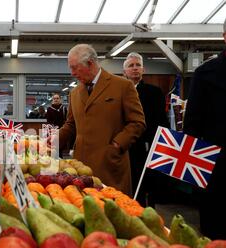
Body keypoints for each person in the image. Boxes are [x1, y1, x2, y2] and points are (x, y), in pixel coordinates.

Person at [58, 44, 146, 195]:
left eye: (74, 68)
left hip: (110, 166)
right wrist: (50, 141)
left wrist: (117, 145)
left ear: (90, 64)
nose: (72, 73)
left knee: (114, 210)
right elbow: (71, 125)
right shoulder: (75, 93)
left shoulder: (122, 86)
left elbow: (137, 122)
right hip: (81, 168)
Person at [183, 19, 226, 240]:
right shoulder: (205, 73)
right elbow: (191, 123)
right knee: (215, 233)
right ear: (224, 36)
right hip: (215, 165)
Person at [123, 52, 169, 207]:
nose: (135, 68)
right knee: (132, 184)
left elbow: (161, 120)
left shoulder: (154, 92)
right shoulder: (119, 92)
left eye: (138, 65)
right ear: (125, 72)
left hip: (149, 144)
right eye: (131, 66)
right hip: (128, 145)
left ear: (143, 69)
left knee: (149, 185)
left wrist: (159, 143)